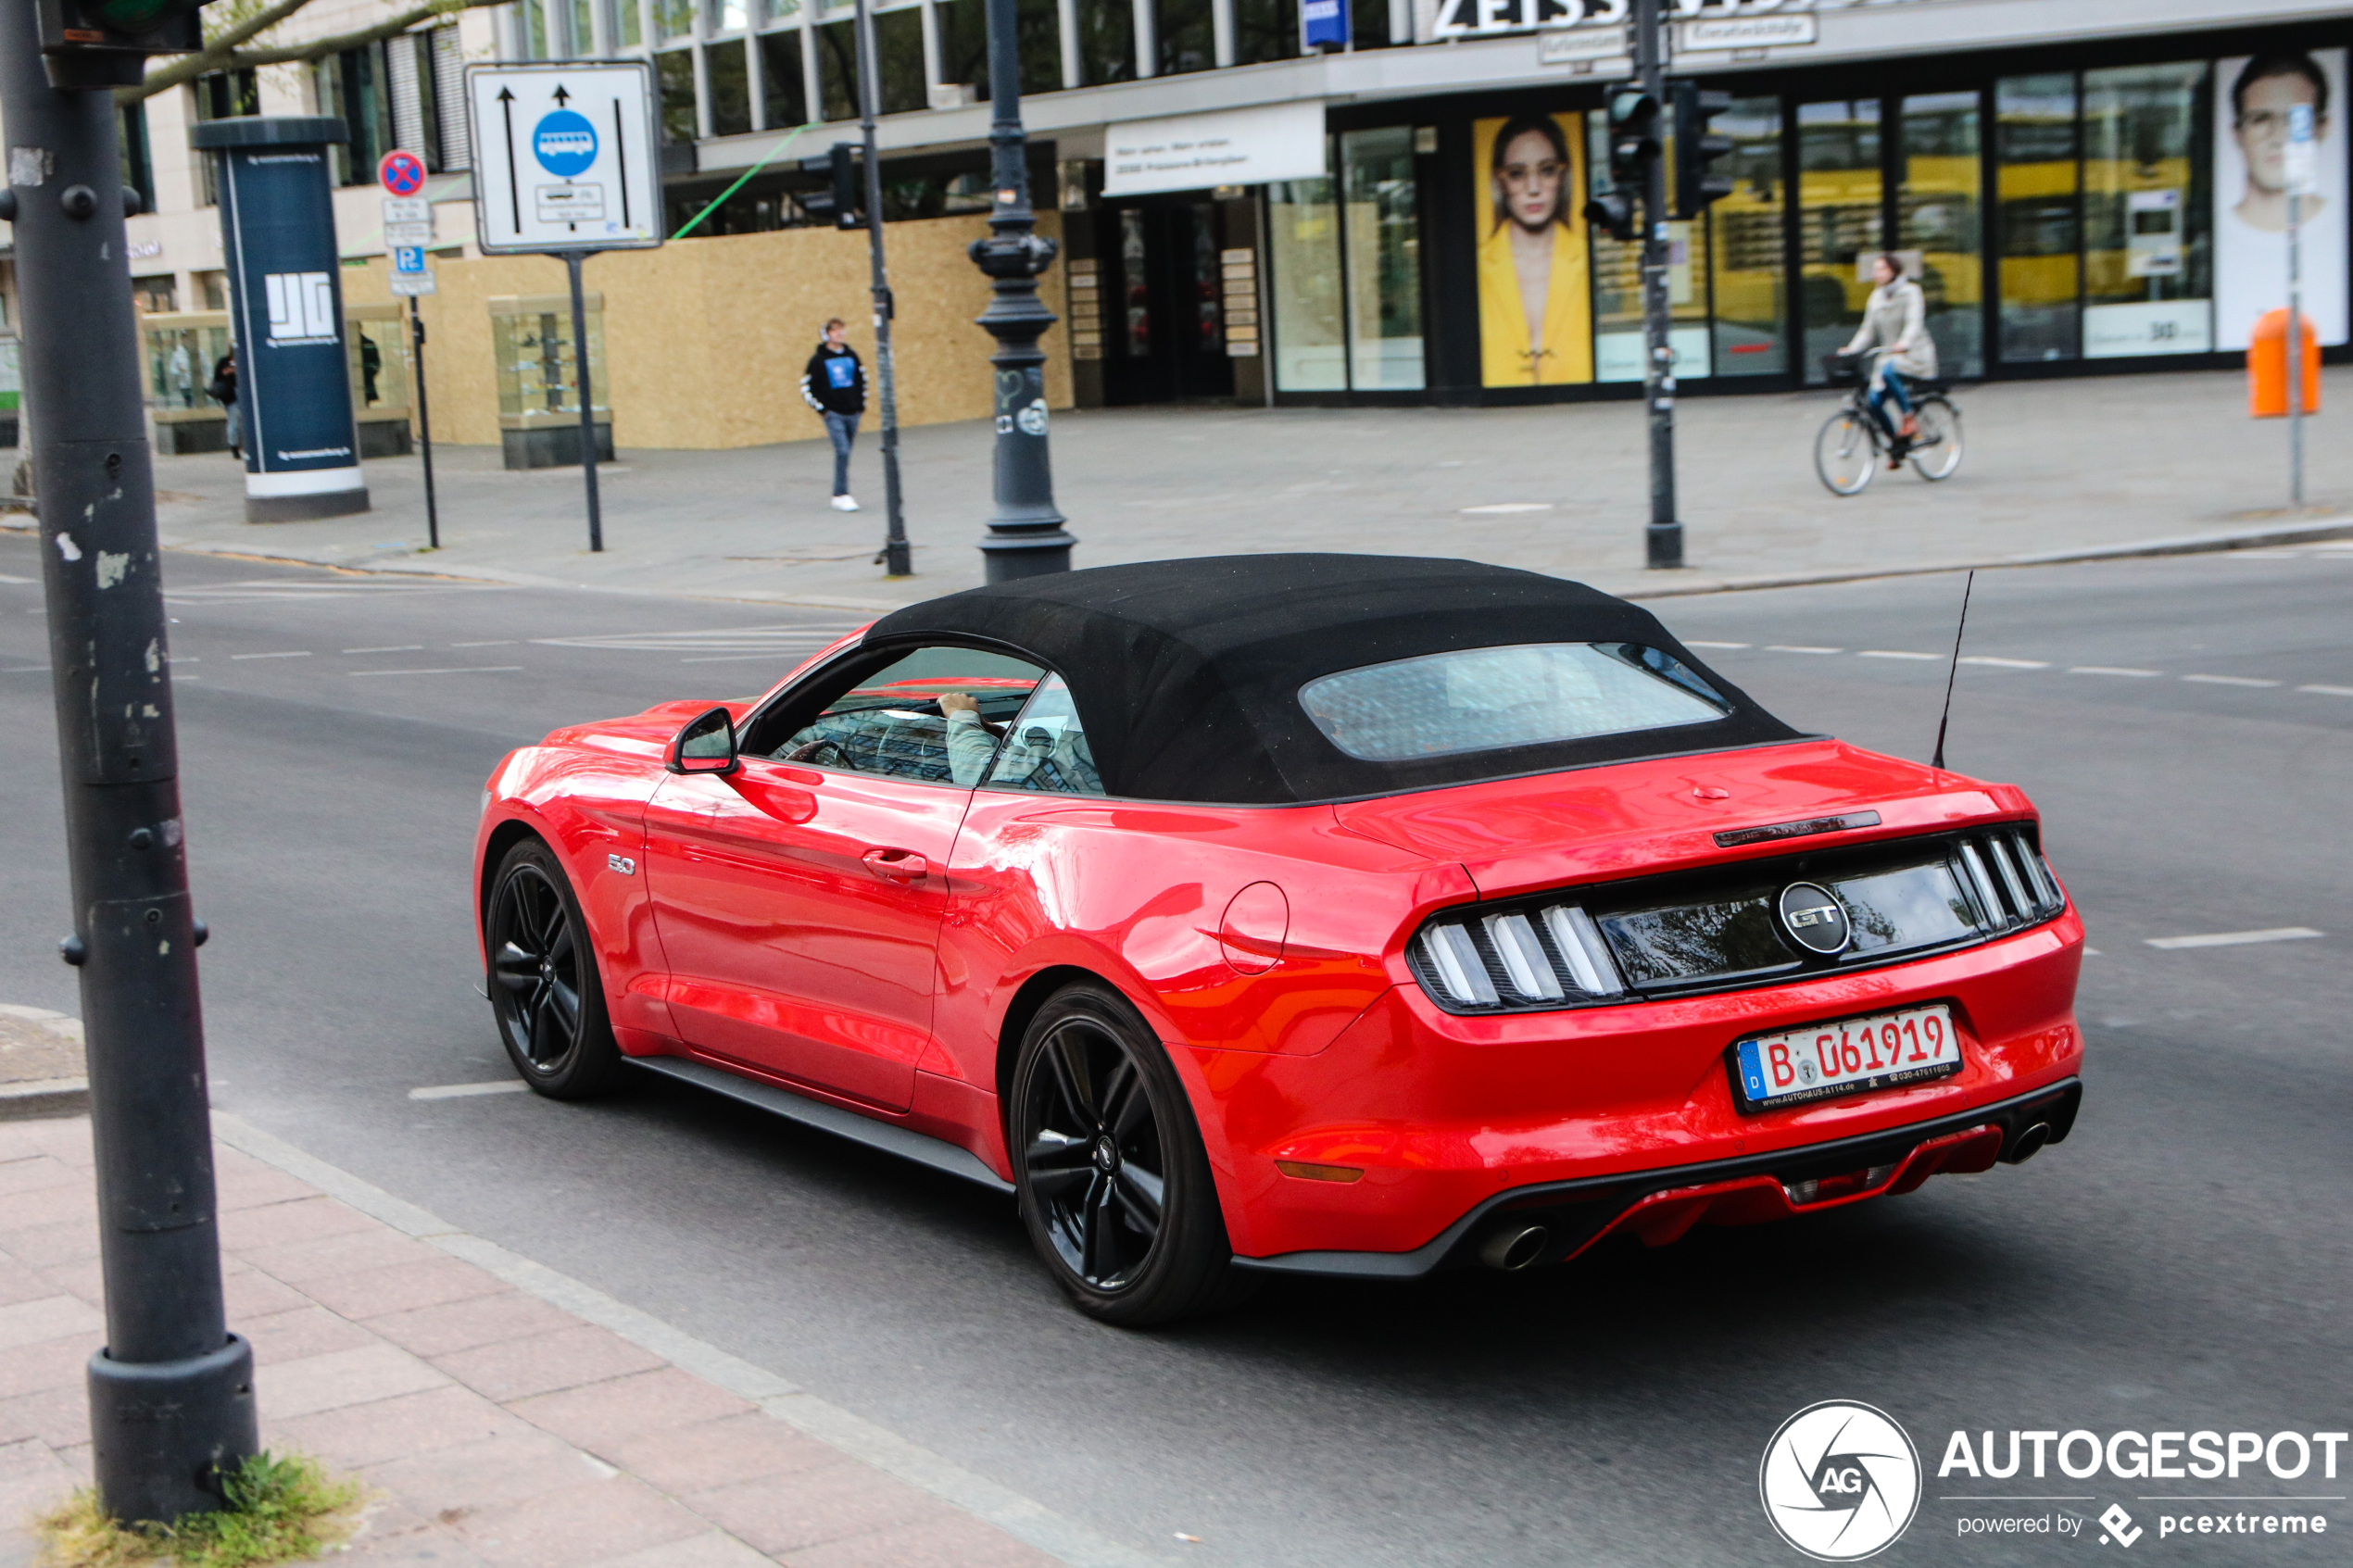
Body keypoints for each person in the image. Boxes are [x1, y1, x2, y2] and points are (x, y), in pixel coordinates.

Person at [1477, 114, 1592, 386]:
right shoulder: (1477, 264)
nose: (1533, 189)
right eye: (1517, 174)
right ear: (1500, 181)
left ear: (1563, 175)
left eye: (1547, 170)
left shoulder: (1588, 259)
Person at [1840, 254, 1937, 465]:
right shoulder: (1875, 297)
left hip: (1914, 355)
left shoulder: (1912, 292)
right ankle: (1897, 446)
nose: (1876, 273)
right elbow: (1867, 330)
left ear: (1893, 271)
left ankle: (1909, 419)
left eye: (1881, 269)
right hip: (1889, 357)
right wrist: (1852, 349)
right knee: (1873, 402)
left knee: (1889, 371)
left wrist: (1904, 344)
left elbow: (1914, 322)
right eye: (1875, 269)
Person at [2232, 51, 2331, 233]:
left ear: (2321, 128)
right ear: (2237, 134)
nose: (2277, 138)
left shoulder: (2341, 227)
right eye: (2260, 119)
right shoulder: (2211, 233)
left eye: (2296, 120)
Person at [800, 319, 867, 512]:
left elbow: (862, 379)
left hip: (853, 412)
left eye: (842, 330)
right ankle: (841, 494)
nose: (840, 334)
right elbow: (806, 387)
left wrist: (861, 404)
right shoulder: (818, 360)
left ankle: (840, 494)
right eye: (835, 331)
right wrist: (822, 410)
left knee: (845, 454)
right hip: (834, 413)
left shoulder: (851, 355)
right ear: (827, 335)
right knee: (843, 451)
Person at [208, 346, 241, 459]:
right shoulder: (224, 361)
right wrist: (228, 371)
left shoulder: (244, 361)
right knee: (234, 423)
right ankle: (234, 447)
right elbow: (217, 377)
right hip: (230, 396)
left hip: (243, 394)